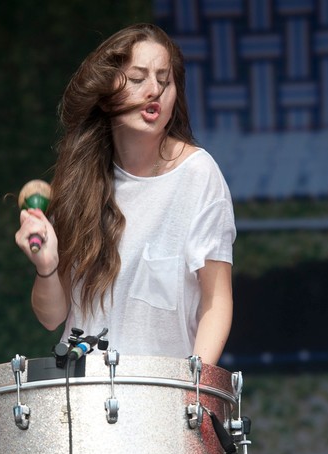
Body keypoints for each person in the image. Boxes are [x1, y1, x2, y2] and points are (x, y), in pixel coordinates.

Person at [15, 23, 236, 366]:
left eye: (165, 80)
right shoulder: (80, 180)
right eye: (137, 78)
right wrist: (46, 268)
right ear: (105, 94)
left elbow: (216, 302)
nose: (154, 91)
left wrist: (192, 391)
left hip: (162, 396)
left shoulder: (198, 174)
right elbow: (50, 317)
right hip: (82, 395)